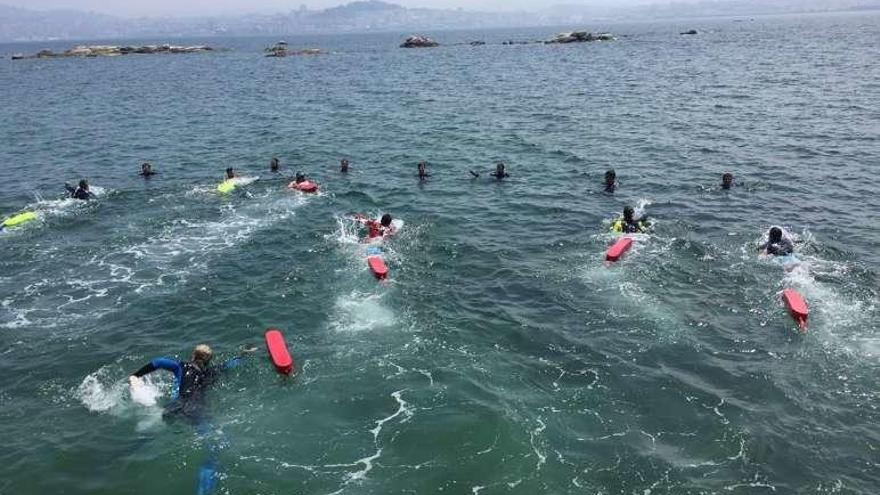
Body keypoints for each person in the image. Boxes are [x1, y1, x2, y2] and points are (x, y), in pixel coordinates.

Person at [128, 344, 256, 422]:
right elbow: (231, 364)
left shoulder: (180, 366)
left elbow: (158, 362)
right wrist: (244, 354)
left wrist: (136, 375)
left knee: (161, 421)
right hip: (197, 408)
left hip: (177, 405)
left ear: (193, 355)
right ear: (209, 360)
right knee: (207, 433)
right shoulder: (211, 372)